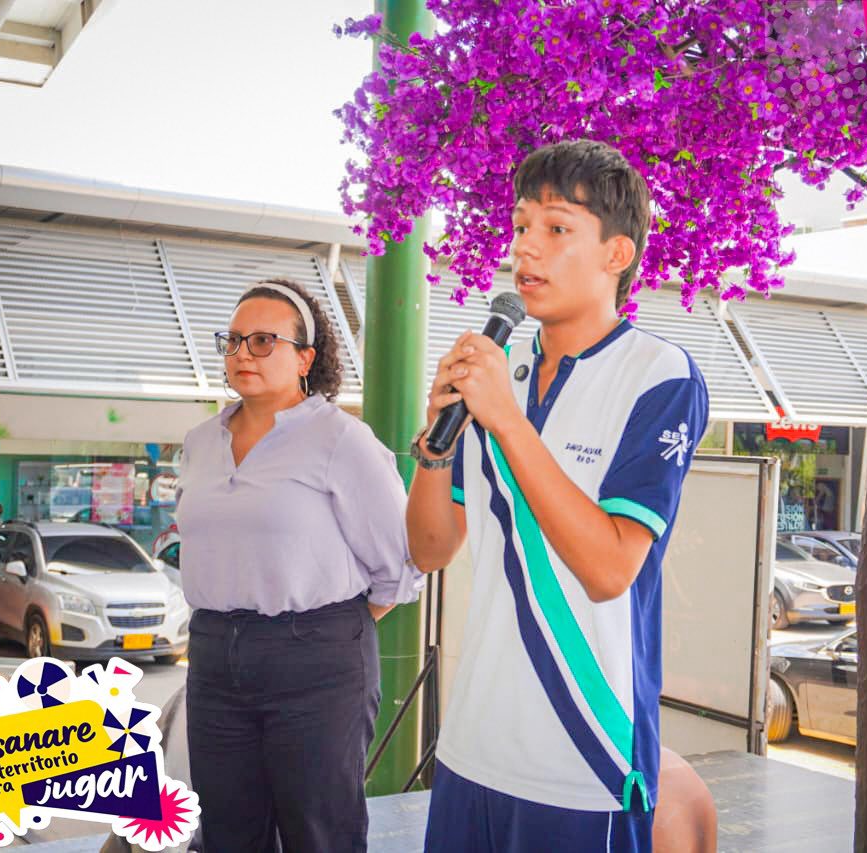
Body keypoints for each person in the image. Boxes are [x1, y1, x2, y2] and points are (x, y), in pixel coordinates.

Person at [407, 140, 710, 852]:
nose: (525, 247)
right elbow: (429, 548)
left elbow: (609, 569)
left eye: (556, 228)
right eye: (520, 226)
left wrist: (507, 422)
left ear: (617, 254)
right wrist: (435, 444)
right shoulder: (498, 366)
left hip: (584, 759)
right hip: (470, 745)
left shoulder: (659, 375)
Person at [175, 278, 420, 852]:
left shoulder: (341, 439)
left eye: (264, 341)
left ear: (305, 358)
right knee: (227, 835)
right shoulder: (200, 441)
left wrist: (312, 634)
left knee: (319, 835)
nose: (243, 354)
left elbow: (399, 568)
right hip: (214, 656)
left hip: (318, 661)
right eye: (233, 340)